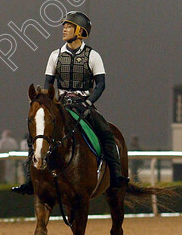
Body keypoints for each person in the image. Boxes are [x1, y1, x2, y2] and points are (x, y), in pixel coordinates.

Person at [13, 11, 128, 195]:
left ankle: (116, 176)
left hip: (84, 104)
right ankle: (30, 181)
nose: (64, 29)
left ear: (80, 31)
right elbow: (48, 84)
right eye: (64, 26)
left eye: (68, 26)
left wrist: (89, 103)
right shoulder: (55, 55)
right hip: (61, 105)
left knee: (106, 133)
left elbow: (101, 84)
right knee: (36, 136)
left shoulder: (93, 56)